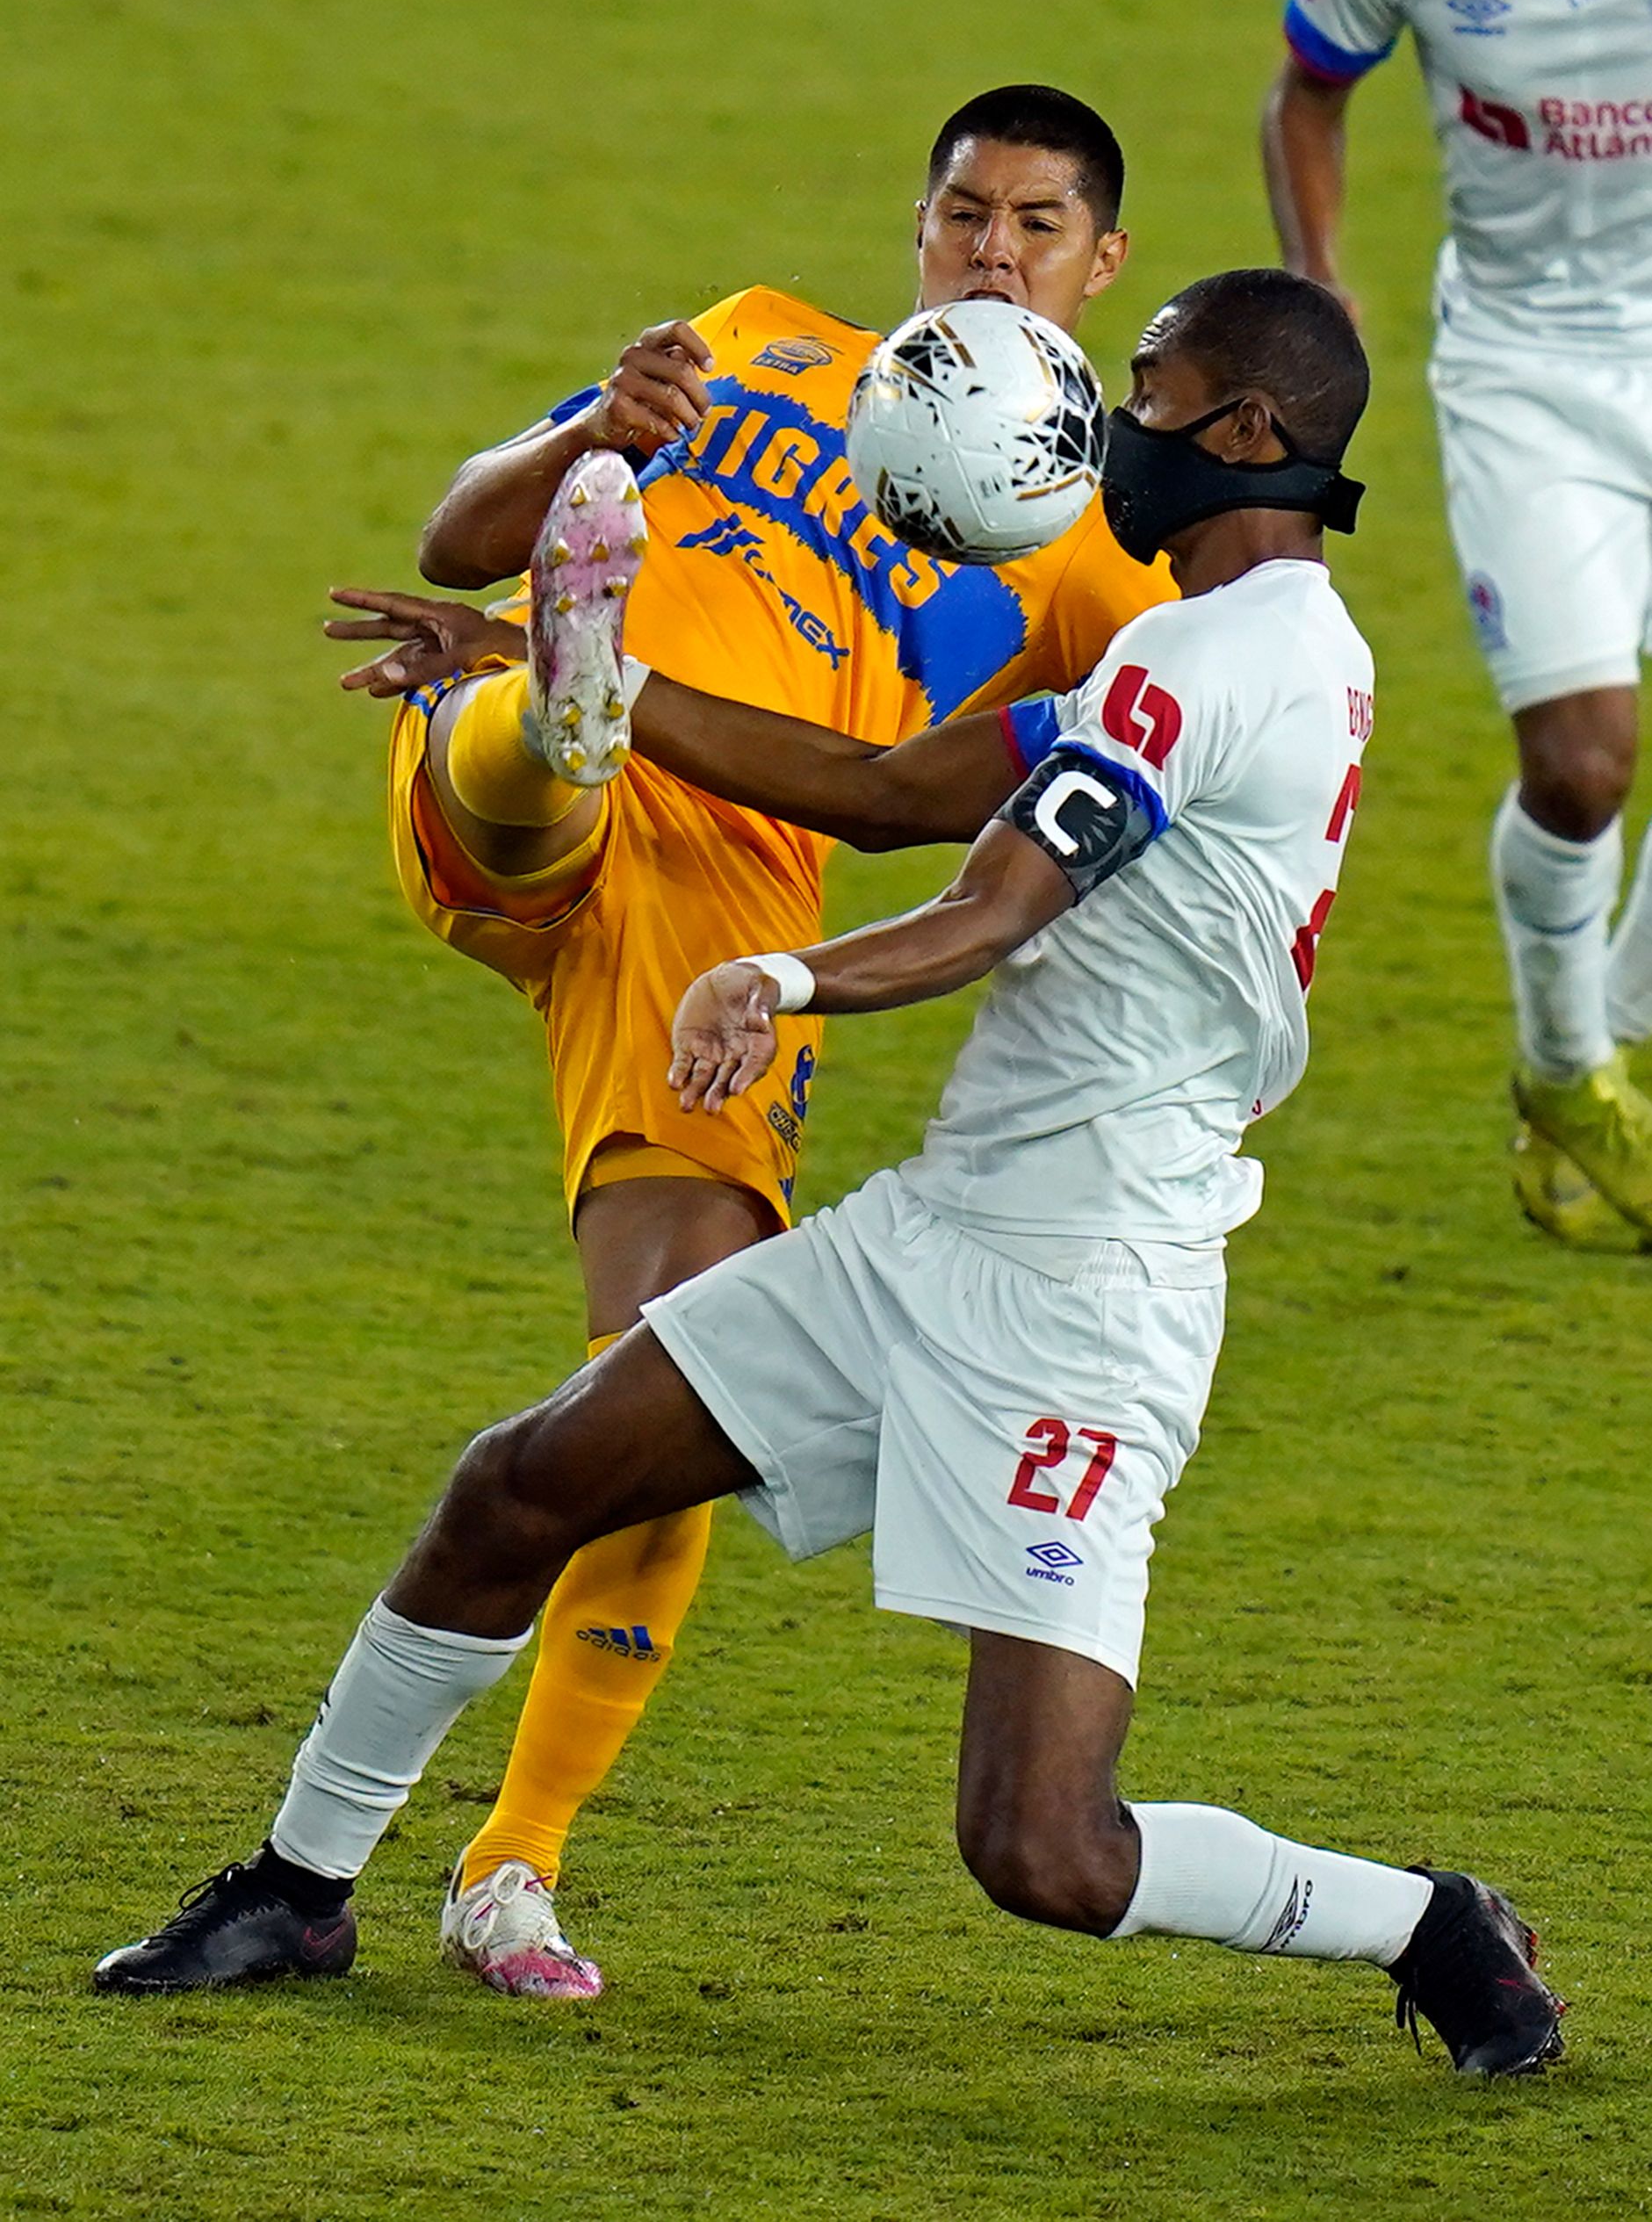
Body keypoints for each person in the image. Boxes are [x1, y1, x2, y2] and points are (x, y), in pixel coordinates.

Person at [95, 270, 1564, 2078]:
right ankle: (300, 1887)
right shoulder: (1246, 650)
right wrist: (583, 677)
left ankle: (1426, 1919)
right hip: (935, 1231)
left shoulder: (1203, 666)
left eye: (1147, 389)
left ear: (1245, 430)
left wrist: (784, 978)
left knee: (1043, 1846)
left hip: (1083, 1302)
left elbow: (991, 904)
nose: (1119, 429)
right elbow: (880, 790)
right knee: (519, 1484)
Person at [319, 85, 1175, 1995]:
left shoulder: (1086, 545)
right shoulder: (759, 340)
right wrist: (592, 442)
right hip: (526, 749)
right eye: (962, 213)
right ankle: (556, 709)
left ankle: (512, 1863)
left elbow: (1136, 739)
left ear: (1101, 262)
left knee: (665, 1372)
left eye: (1035, 225)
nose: (989, 251)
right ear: (917, 223)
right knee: (527, 744)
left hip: (728, 901)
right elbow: (454, 534)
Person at [1263, 0, 1652, 1252]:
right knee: (1581, 765)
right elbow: (1306, 92)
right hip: (1522, 370)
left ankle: (1611, 1055)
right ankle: (1564, 1064)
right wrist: (1319, 278)